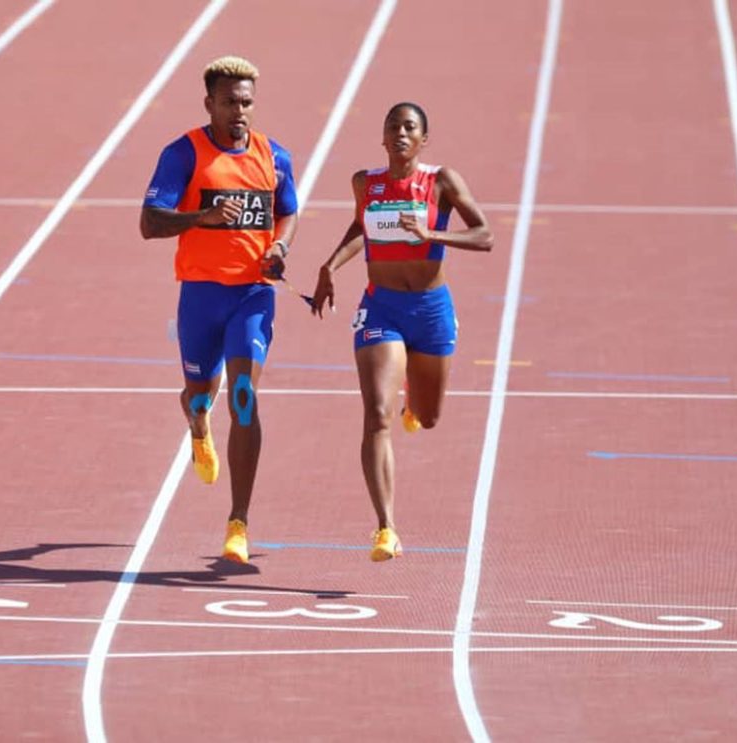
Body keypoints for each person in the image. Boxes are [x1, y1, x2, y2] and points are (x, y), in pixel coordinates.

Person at [311, 102, 493, 562]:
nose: (400, 133)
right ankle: (386, 528)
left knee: (427, 418)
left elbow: (484, 234)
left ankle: (414, 393)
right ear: (383, 137)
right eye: (392, 126)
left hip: (430, 309)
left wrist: (432, 235)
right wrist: (331, 265)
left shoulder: (441, 181)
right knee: (377, 414)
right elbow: (362, 227)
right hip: (382, 308)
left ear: (423, 139)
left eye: (409, 127)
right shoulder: (366, 183)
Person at [140, 56, 298, 564]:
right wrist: (200, 217)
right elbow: (149, 223)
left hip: (252, 296)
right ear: (209, 104)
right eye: (230, 102)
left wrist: (280, 247)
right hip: (200, 296)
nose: (240, 111)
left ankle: (238, 523)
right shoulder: (183, 153)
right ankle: (197, 419)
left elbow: (287, 212)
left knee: (244, 397)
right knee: (199, 393)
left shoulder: (275, 157)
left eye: (246, 102)